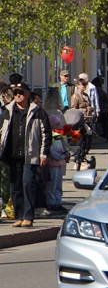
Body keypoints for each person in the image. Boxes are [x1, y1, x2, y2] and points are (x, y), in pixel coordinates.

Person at [0, 83, 52, 228]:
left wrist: (43, 154)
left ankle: (28, 216)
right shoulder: (8, 112)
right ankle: (19, 216)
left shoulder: (38, 112)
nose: (18, 95)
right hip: (12, 155)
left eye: (21, 92)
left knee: (28, 184)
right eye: (15, 92)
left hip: (30, 156)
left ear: (28, 94)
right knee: (15, 187)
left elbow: (46, 135)